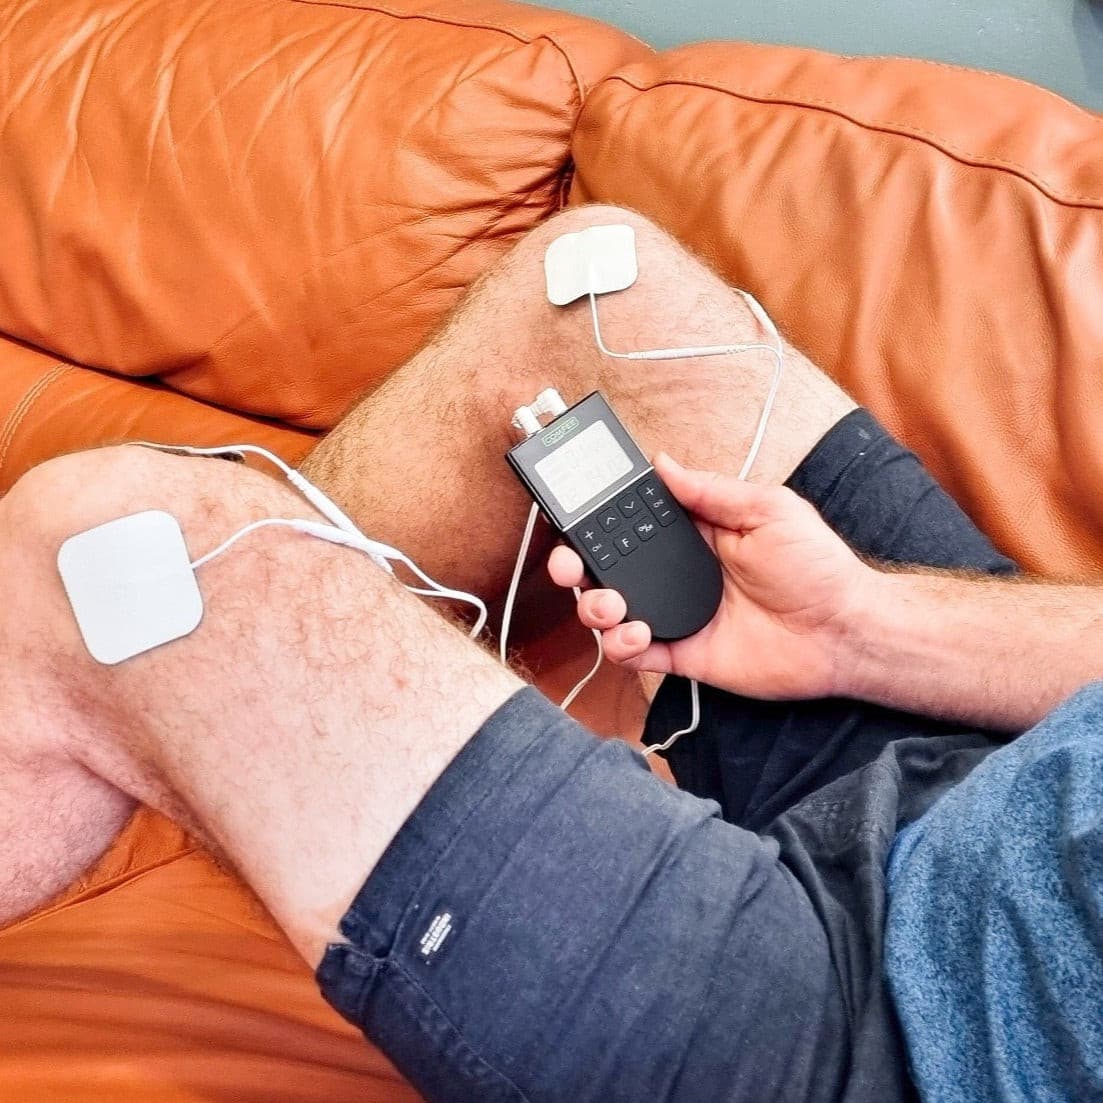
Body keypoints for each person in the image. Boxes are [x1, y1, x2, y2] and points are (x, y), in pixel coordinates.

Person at [1, 205, 1100, 1103]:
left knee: (106, 560)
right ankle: (182, 736)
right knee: (590, 280)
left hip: (897, 1040)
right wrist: (862, 626)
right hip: (1003, 773)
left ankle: (142, 705)